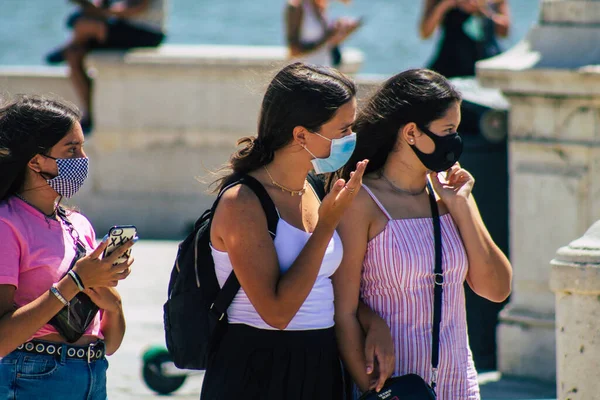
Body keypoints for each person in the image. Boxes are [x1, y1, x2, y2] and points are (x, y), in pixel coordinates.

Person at [332, 69, 512, 399]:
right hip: (394, 389)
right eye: (448, 131)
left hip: (460, 386)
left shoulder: (450, 195)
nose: (455, 141)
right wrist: (371, 392)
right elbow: (342, 308)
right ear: (411, 132)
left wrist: (461, 207)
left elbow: (497, 288)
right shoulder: (362, 201)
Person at [200, 62, 369, 400]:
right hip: (260, 368)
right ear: (301, 135)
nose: (351, 139)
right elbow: (276, 312)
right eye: (343, 130)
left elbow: (328, 287)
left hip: (322, 361)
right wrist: (327, 226)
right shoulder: (242, 203)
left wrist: (372, 322)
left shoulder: (314, 187)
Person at [0, 95, 137, 399]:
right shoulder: (6, 224)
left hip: (90, 374)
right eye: (71, 149)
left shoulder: (78, 225)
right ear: (35, 161)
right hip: (31, 376)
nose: (83, 158)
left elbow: (109, 344)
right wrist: (75, 283)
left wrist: (112, 303)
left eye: (82, 147)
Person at [45, 0, 167, 134]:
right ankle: (89, 112)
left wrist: (103, 12)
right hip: (122, 26)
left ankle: (70, 45)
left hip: (146, 31)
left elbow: (138, 8)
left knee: (84, 26)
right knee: (74, 54)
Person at [420, 0, 510, 78]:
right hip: (450, 61)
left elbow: (504, 32)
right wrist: (446, 5)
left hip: (486, 59)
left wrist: (481, 10)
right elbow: (425, 33)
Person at [285, 0, 362, 68]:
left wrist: (343, 33)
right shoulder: (296, 6)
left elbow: (326, 46)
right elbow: (294, 51)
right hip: (303, 75)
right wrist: (328, 36)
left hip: (324, 72)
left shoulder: (320, 7)